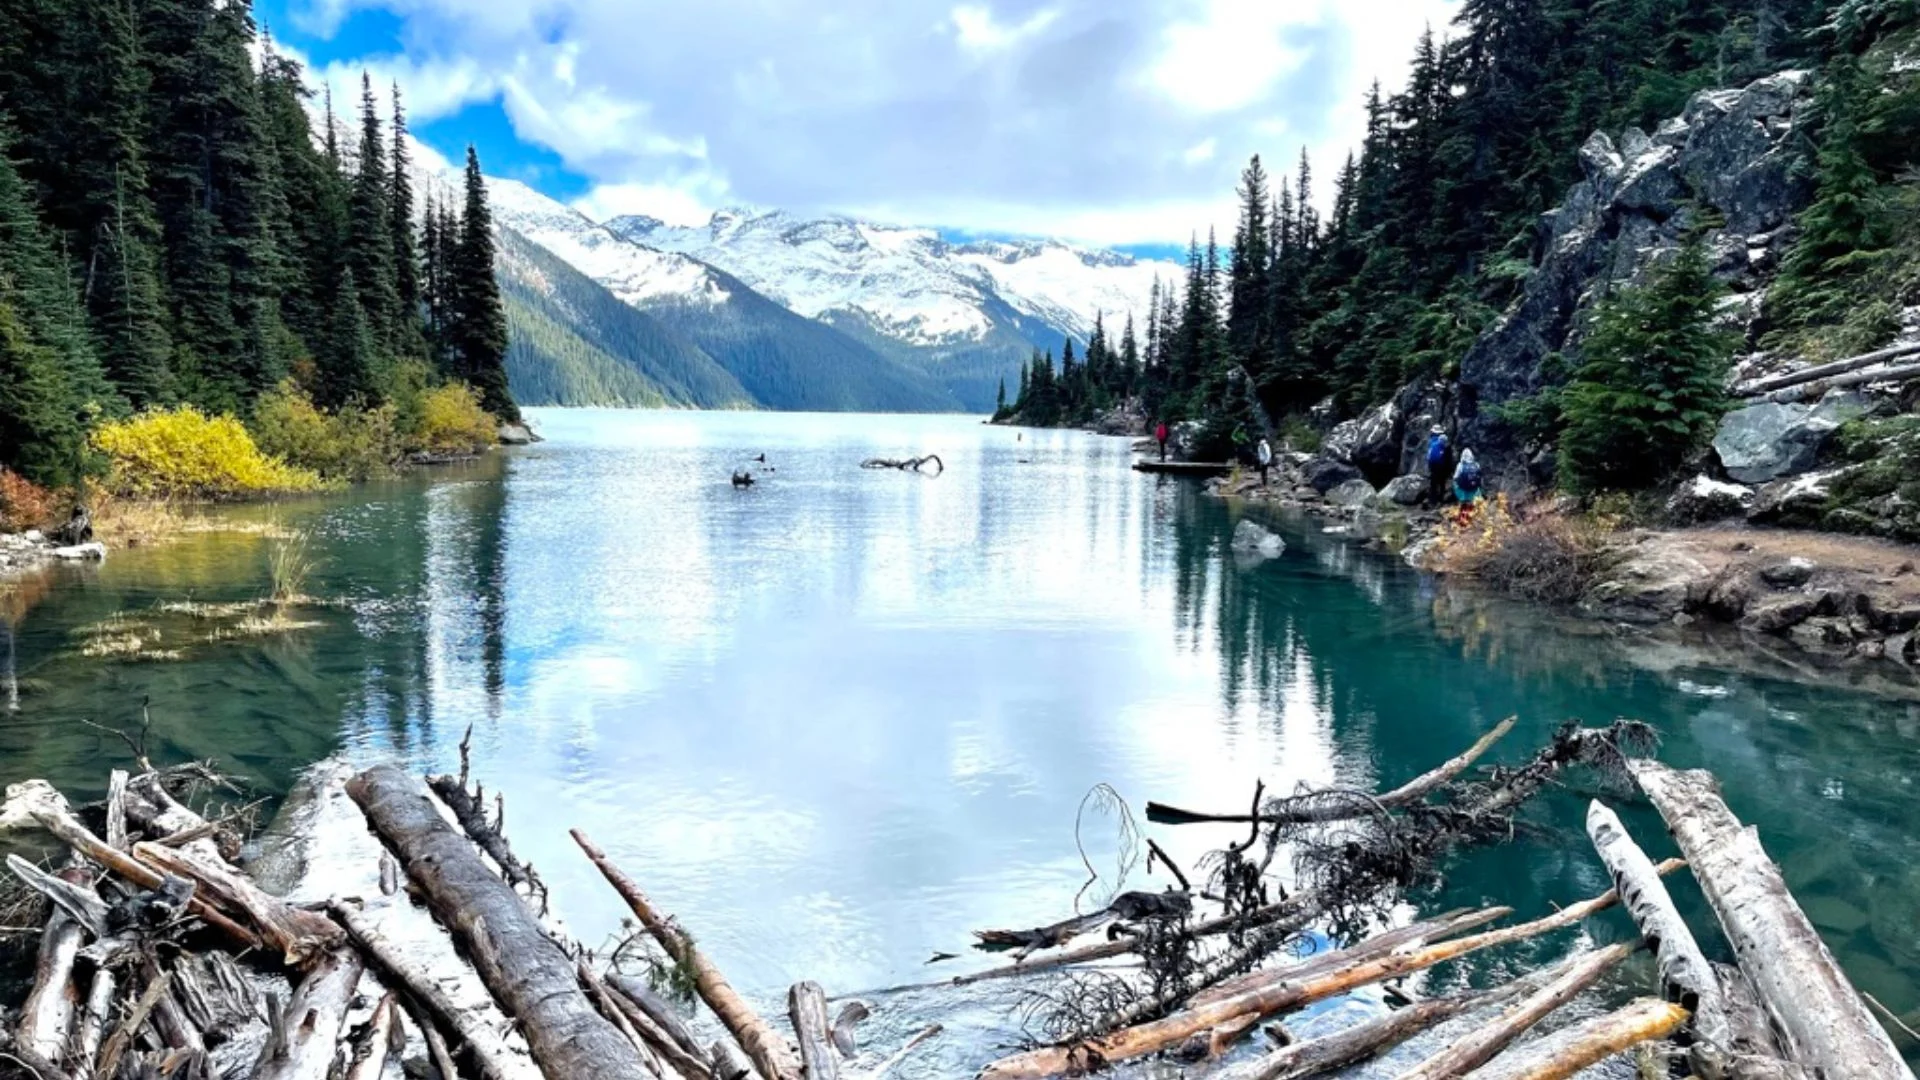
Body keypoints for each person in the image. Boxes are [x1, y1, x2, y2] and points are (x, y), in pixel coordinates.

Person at [1425, 425, 1452, 506]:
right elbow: (1448, 457)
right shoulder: (1444, 442)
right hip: (1442, 466)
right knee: (1442, 483)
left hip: (1433, 465)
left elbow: (1429, 455)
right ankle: (1441, 499)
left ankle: (1432, 501)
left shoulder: (1431, 441)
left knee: (1433, 483)